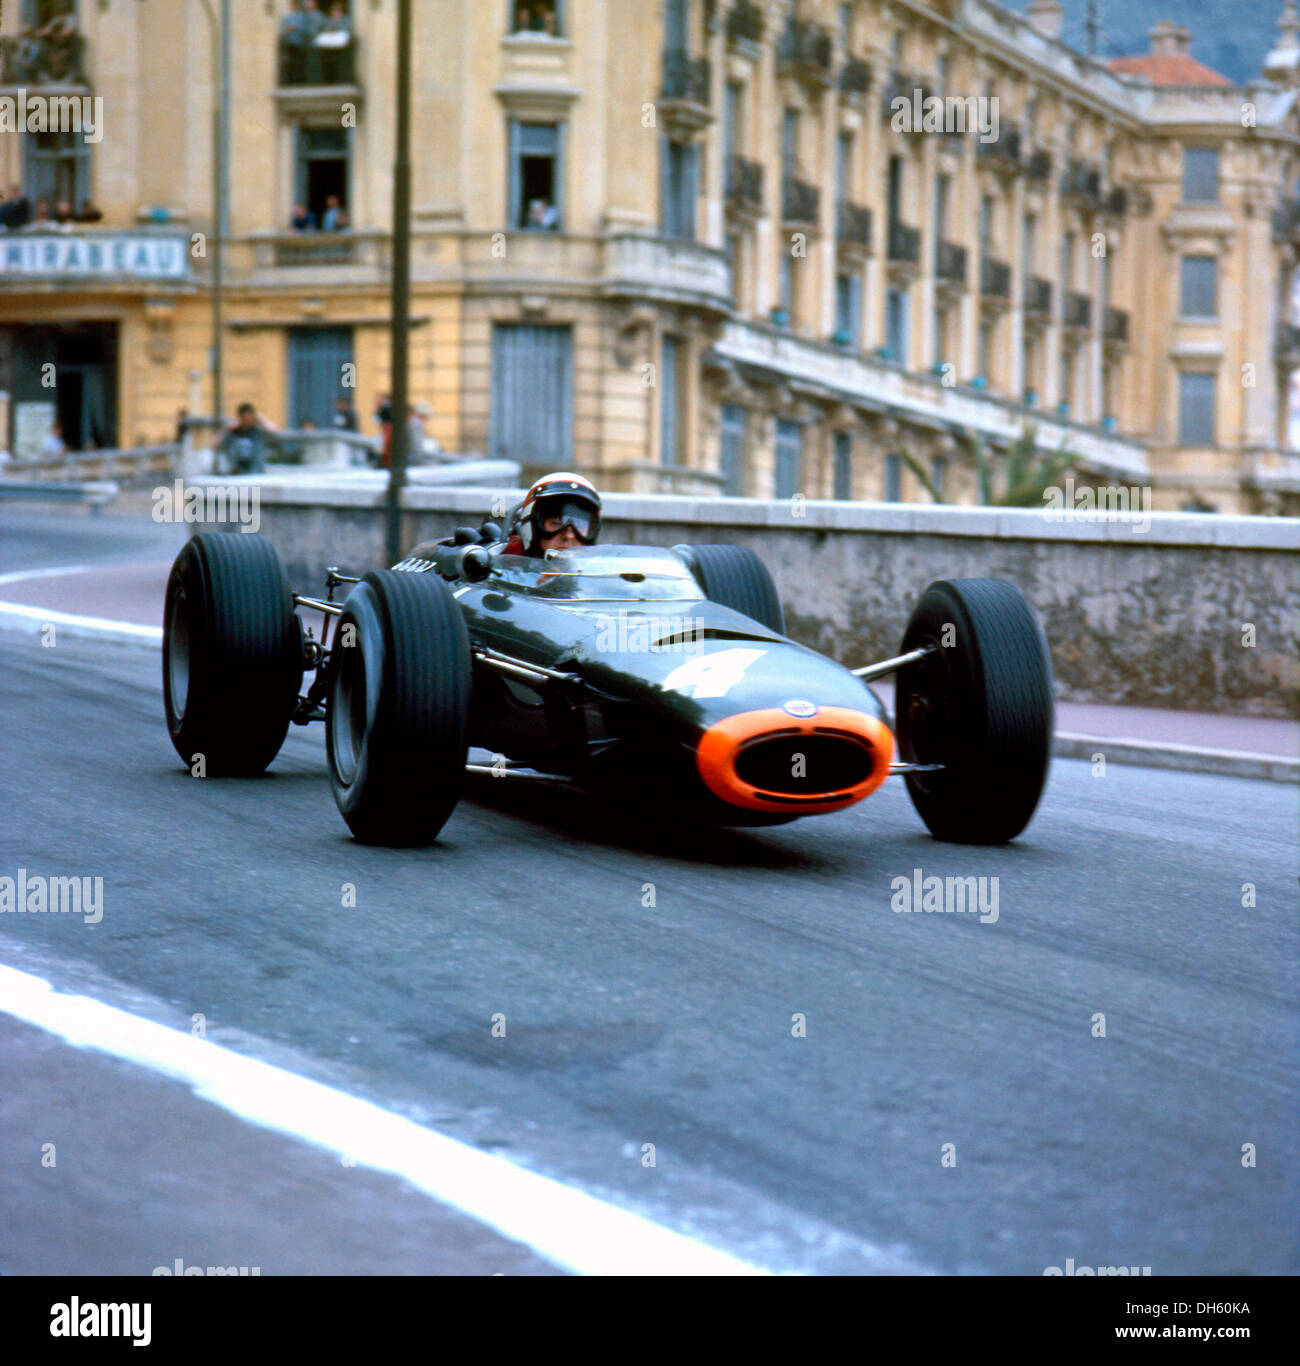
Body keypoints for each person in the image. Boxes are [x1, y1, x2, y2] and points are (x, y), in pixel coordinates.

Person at [504, 472, 602, 556]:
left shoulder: (600, 572)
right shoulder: (505, 569)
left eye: (580, 525)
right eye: (556, 523)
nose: (569, 536)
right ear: (533, 527)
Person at [214, 403, 278, 474]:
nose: (247, 421)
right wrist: (225, 429)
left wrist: (262, 420)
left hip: (257, 472)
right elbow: (215, 444)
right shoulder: (232, 432)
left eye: (249, 418)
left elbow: (273, 430)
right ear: (240, 417)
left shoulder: (258, 431)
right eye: (244, 418)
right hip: (236, 473)